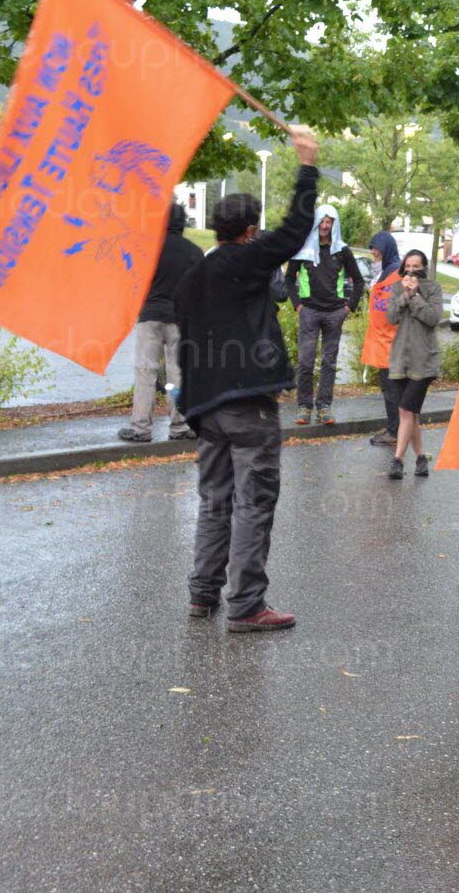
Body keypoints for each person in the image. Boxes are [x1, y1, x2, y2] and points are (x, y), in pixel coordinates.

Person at [174, 128, 319, 633]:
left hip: (206, 406)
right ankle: (246, 605)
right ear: (250, 231)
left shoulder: (193, 278)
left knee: (214, 501)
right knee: (253, 503)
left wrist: (188, 405)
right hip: (247, 403)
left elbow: (185, 343)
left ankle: (203, 593)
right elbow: (296, 228)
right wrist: (307, 165)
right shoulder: (247, 259)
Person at [117, 202, 202, 443]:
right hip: (180, 320)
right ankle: (180, 426)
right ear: (183, 224)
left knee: (146, 372)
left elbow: (134, 283)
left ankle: (141, 428)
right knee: (177, 374)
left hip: (150, 317)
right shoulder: (194, 252)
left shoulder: (148, 250)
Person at [286, 202, 364, 426]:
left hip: (334, 313)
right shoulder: (303, 250)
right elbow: (289, 279)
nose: (325, 225)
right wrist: (298, 305)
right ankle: (304, 407)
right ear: (316, 223)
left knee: (329, 362)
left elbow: (359, 281)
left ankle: (324, 407)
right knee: (306, 361)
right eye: (322, 221)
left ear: (334, 224)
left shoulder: (342, 250)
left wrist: (348, 307)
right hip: (309, 312)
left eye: (329, 221)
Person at [385, 249, 444, 479]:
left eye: (416, 266)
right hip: (401, 359)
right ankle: (421, 459)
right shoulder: (397, 288)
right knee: (411, 415)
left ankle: (397, 460)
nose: (411, 271)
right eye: (407, 266)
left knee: (405, 411)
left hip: (424, 360)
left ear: (423, 268)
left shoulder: (433, 289)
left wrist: (416, 296)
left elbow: (433, 318)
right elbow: (391, 317)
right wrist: (404, 296)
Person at [365, 231, 403, 447]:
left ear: (387, 251)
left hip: (393, 342)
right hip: (383, 342)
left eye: (377, 255)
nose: (374, 258)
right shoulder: (386, 273)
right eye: (373, 255)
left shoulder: (398, 274)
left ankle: (395, 431)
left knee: (391, 390)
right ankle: (394, 427)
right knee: (389, 389)